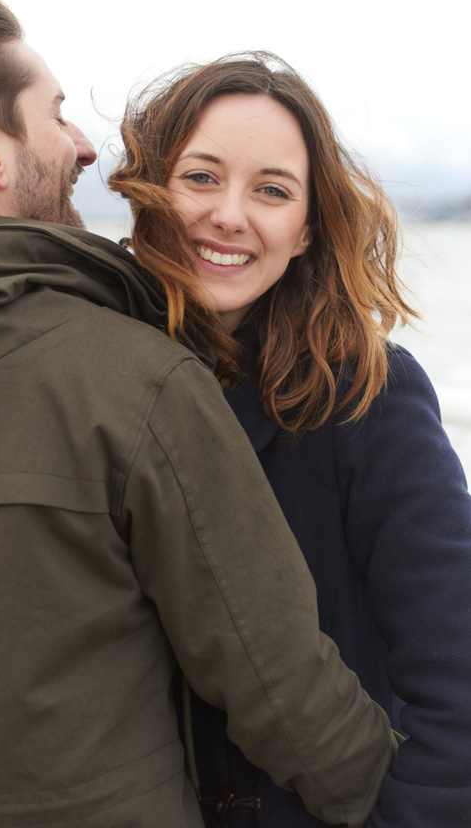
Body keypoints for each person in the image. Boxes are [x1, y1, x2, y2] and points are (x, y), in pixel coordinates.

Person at [0, 0, 398, 828]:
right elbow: (281, 688)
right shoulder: (132, 378)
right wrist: (391, 798)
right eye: (52, 115)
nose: (86, 146)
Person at [109, 51, 471, 827]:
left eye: (270, 191)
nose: (229, 216)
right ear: (148, 189)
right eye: (200, 177)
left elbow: (457, 672)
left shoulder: (367, 394)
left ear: (304, 231)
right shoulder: (84, 378)